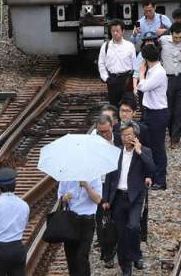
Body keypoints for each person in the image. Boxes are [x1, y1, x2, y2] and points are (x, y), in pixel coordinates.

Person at [102, 122, 154, 276]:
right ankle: (126, 267)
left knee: (133, 226)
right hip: (118, 196)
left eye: (129, 135)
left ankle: (136, 255)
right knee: (121, 233)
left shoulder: (144, 151)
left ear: (135, 136)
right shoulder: (116, 152)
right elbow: (109, 177)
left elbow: (152, 169)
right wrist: (105, 199)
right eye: (124, 135)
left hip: (135, 196)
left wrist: (139, 152)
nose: (126, 138)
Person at [135, 44, 167, 189]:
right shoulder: (153, 70)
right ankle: (152, 176)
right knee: (149, 145)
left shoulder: (158, 72)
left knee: (158, 147)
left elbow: (143, 87)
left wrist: (141, 73)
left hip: (158, 113)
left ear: (145, 58)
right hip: (150, 111)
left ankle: (160, 180)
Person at [57, 175, 102, 276]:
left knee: (81, 256)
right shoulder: (66, 176)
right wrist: (64, 199)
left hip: (87, 221)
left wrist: (86, 186)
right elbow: (59, 199)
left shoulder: (94, 176)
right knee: (71, 258)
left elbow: (98, 199)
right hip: (70, 220)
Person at [91, 116, 118, 268]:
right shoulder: (92, 143)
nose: (103, 135)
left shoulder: (120, 139)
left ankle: (118, 248)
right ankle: (107, 254)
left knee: (118, 220)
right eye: (100, 132)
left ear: (112, 127)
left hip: (119, 185)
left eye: (106, 131)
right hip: (101, 185)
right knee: (102, 222)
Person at [159, 23, 181, 148]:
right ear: (170, 34)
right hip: (168, 79)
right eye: (175, 37)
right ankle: (170, 133)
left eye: (180, 37)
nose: (178, 40)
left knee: (180, 109)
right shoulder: (163, 41)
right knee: (169, 110)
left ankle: (175, 138)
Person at [97, 20, 136, 107]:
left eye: (117, 31)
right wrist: (106, 78)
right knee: (114, 107)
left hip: (127, 80)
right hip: (112, 80)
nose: (115, 33)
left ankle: (127, 121)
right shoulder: (105, 46)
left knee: (128, 105)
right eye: (113, 31)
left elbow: (134, 65)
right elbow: (101, 64)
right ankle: (117, 121)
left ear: (123, 31)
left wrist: (134, 82)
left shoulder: (130, 46)